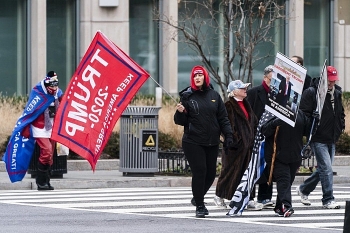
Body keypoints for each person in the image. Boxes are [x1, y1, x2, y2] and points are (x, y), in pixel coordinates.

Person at [173, 65, 234, 218]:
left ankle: (197, 196)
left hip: (212, 141)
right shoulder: (187, 96)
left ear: (205, 77)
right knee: (200, 171)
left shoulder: (214, 95)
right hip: (193, 141)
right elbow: (180, 121)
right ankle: (200, 205)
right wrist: (179, 112)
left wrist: (229, 135)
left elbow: (223, 118)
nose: (197, 78)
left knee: (211, 173)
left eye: (200, 75)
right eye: (195, 76)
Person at [296, 66, 345, 209]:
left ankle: (304, 189)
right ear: (324, 79)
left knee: (324, 169)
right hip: (318, 136)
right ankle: (328, 199)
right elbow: (303, 114)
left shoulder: (337, 92)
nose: (332, 83)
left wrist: (341, 126)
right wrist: (313, 120)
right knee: (327, 169)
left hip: (332, 136)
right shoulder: (311, 92)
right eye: (330, 81)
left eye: (334, 81)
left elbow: (340, 112)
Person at [214, 80, 258, 209]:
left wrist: (253, 138)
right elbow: (226, 126)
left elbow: (253, 122)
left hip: (248, 146)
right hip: (235, 148)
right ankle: (219, 195)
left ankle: (248, 197)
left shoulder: (247, 104)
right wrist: (235, 141)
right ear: (234, 91)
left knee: (248, 173)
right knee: (229, 172)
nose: (245, 89)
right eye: (242, 88)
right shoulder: (229, 106)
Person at [261, 110, 312, 217]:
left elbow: (307, 131)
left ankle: (280, 206)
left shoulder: (300, 113)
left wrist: (314, 120)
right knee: (284, 179)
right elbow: (264, 130)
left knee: (288, 181)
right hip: (276, 155)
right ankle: (287, 206)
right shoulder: (273, 111)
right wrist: (275, 122)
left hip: (294, 154)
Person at [21, 71, 63, 191]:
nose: (54, 88)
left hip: (52, 125)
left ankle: (46, 181)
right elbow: (30, 110)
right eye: (52, 86)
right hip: (39, 126)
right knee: (47, 151)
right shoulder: (38, 93)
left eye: (56, 85)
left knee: (50, 156)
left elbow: (65, 103)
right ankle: (40, 181)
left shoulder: (58, 93)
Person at [246, 65, 275, 209]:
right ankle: (250, 196)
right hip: (255, 135)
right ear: (265, 78)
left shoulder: (278, 95)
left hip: (271, 135)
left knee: (268, 164)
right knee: (253, 165)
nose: (274, 83)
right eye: (272, 79)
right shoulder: (253, 92)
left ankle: (265, 196)